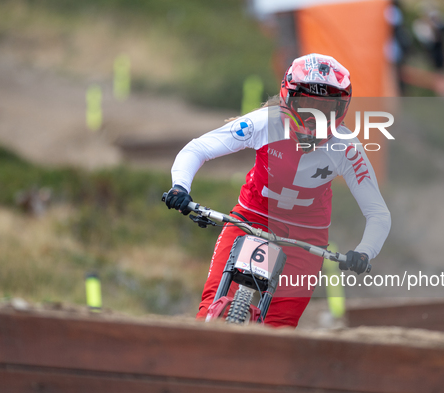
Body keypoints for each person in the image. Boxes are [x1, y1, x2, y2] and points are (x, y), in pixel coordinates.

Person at [165, 54, 391, 328]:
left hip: (305, 238)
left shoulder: (347, 148)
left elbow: (377, 213)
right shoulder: (265, 122)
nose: (314, 117)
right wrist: (181, 187)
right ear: (288, 97)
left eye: (326, 108)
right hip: (250, 219)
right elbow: (198, 149)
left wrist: (365, 251)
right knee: (209, 310)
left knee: (279, 331)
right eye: (306, 105)